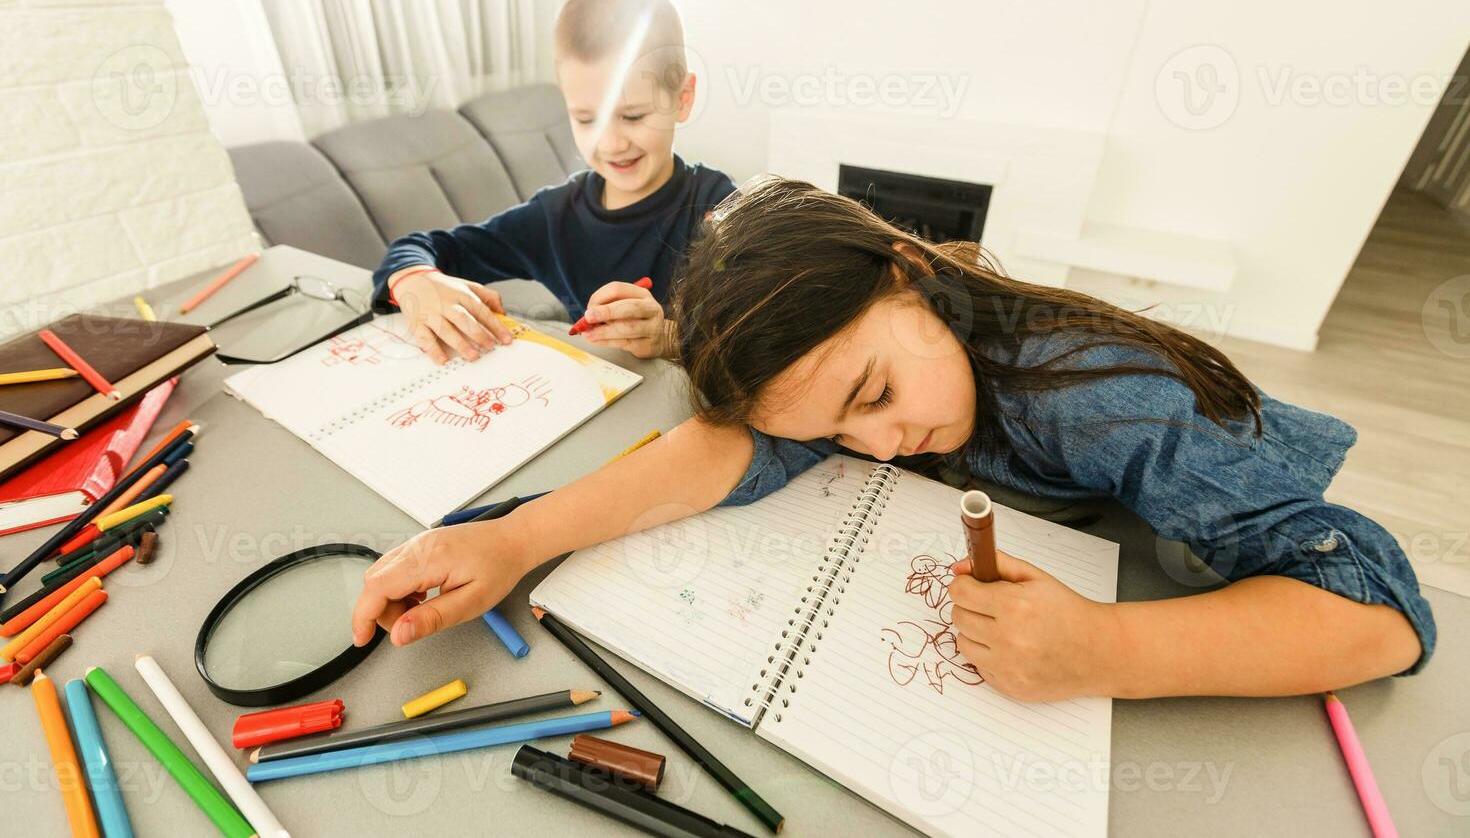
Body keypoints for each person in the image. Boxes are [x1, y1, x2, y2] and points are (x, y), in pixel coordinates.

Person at [353, 177, 1433, 702]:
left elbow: (1382, 611)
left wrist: (1114, 651)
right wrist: (512, 539)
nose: (879, 444)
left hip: (1213, 537)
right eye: (835, 429)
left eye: (871, 392)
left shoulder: (1096, 398)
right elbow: (736, 450)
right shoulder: (886, 358)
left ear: (906, 270)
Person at [372, 0, 733, 362]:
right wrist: (416, 282)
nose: (611, 143)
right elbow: (416, 247)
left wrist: (670, 337)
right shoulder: (553, 217)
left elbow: (769, 334)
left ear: (682, 98)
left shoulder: (720, 205)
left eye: (632, 116)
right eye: (586, 119)